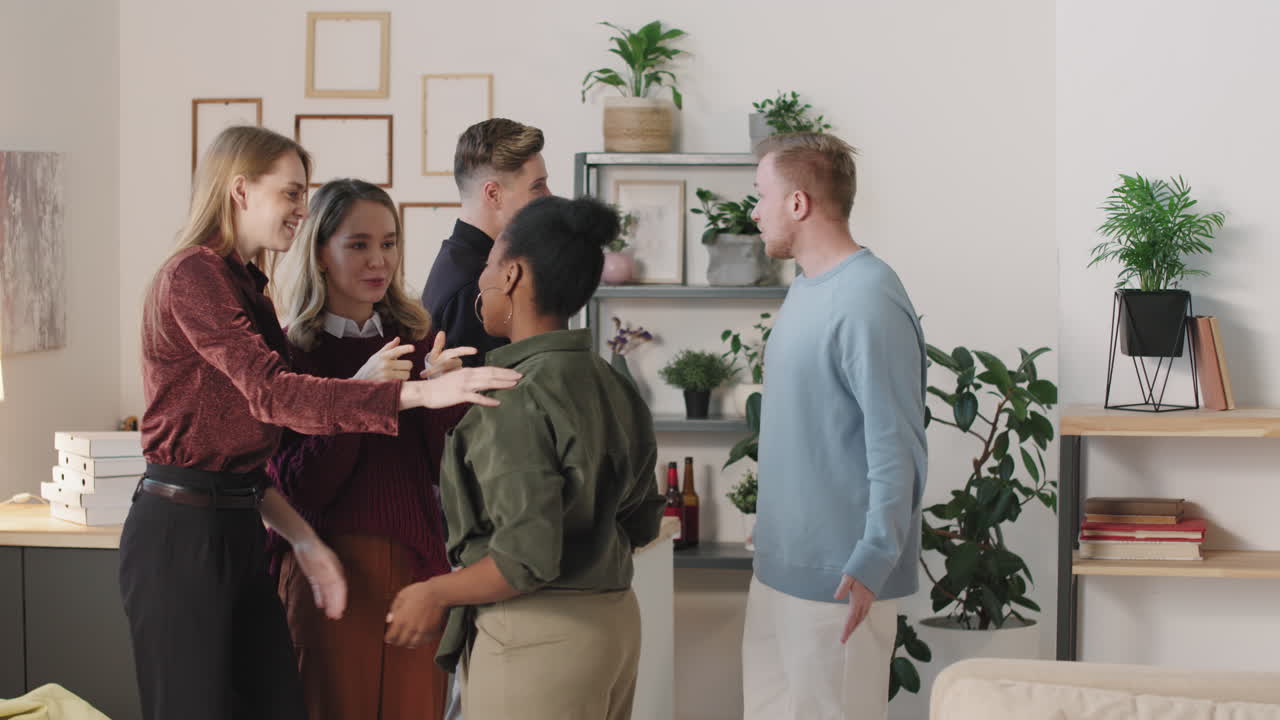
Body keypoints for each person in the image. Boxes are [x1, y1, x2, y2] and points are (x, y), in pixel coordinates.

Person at [118, 126, 520, 720]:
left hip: (240, 522)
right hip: (185, 529)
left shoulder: (247, 287)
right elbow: (274, 397)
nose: (300, 210)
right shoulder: (193, 275)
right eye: (290, 193)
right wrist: (410, 393)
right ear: (240, 191)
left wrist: (305, 543)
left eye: (304, 195)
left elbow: (255, 457)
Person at [384, 196, 665, 720]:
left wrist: (434, 593)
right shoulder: (612, 381)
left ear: (511, 275)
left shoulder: (514, 395)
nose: (481, 281)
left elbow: (525, 559)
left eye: (489, 265)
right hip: (615, 627)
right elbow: (643, 520)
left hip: (538, 638)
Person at [742, 132, 928, 720]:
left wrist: (873, 559)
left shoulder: (869, 297)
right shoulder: (805, 289)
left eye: (761, 195)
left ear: (798, 203)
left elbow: (897, 442)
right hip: (778, 570)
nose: (754, 212)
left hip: (841, 582)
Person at [269, 178, 469, 720]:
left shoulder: (420, 341)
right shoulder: (288, 355)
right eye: (358, 244)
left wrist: (443, 397)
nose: (378, 260)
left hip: (414, 566)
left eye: (389, 242)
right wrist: (359, 395)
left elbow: (443, 471)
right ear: (320, 253)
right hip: (327, 573)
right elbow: (299, 489)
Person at [422, 118, 551, 366]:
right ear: (493, 194)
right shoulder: (473, 286)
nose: (549, 195)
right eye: (538, 186)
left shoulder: (465, 264)